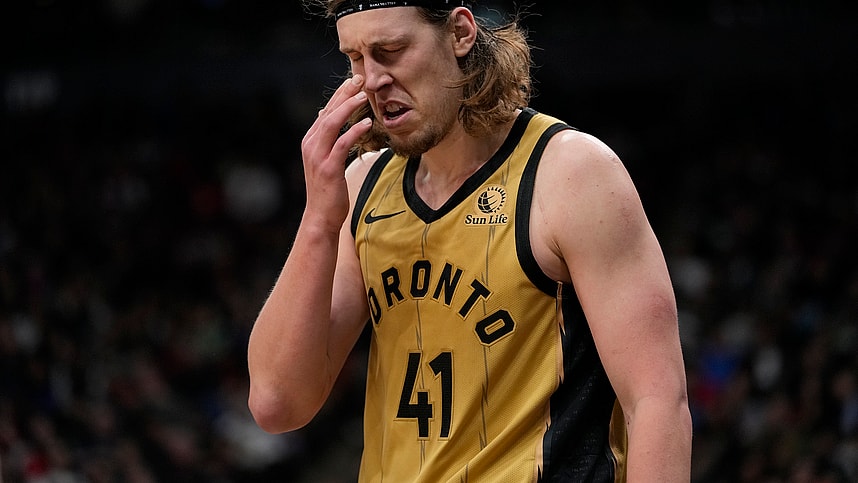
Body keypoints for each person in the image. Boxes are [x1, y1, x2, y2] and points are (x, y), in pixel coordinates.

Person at [247, 1, 693, 481]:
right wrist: (318, 220)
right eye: (356, 59)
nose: (372, 80)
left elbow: (657, 402)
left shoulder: (570, 174)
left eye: (390, 50)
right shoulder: (362, 188)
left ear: (460, 33)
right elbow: (277, 404)